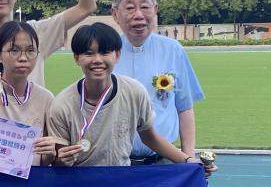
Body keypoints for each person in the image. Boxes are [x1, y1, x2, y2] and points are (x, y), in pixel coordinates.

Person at [47, 22, 212, 174]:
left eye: (105, 52)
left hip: (122, 185)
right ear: (76, 58)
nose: (97, 60)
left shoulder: (134, 92)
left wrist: (189, 161)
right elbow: (58, 162)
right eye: (89, 54)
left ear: (117, 55)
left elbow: (150, 138)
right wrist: (61, 160)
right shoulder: (62, 105)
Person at [111, 0, 206, 165]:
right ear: (115, 14)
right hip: (117, 163)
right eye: (130, 8)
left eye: (145, 7)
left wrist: (187, 158)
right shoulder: (106, 54)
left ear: (155, 10)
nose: (138, 15)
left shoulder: (173, 50)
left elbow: (184, 107)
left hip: (163, 161)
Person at [0, 20, 56, 166]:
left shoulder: (46, 99)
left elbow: (43, 160)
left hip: (28, 185)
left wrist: (49, 155)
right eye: (14, 50)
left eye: (30, 50)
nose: (23, 58)